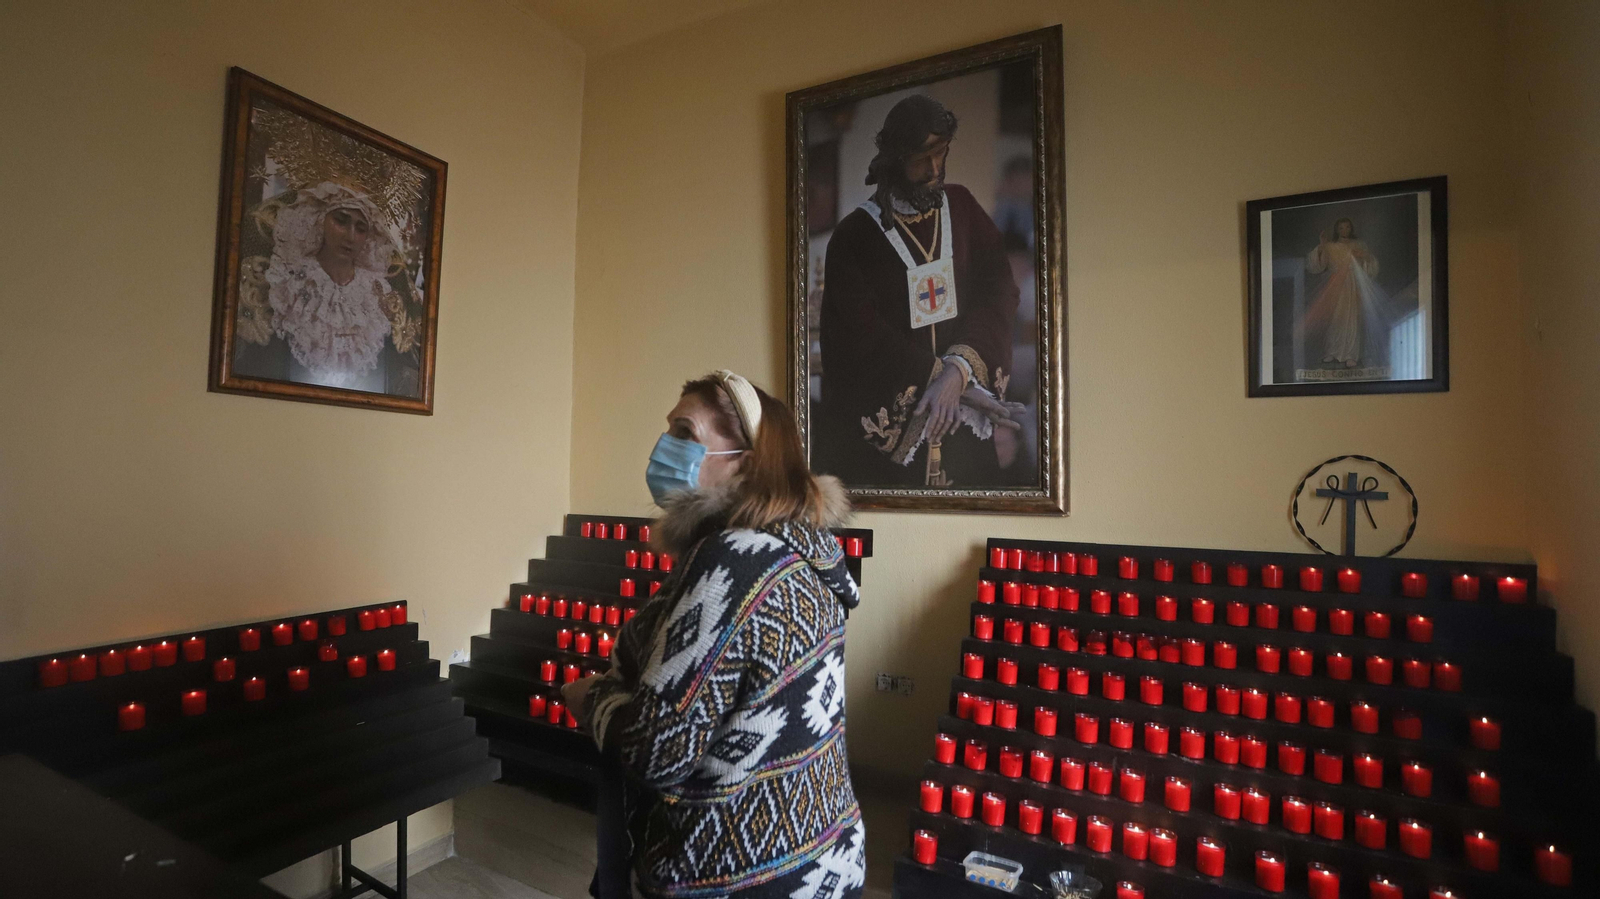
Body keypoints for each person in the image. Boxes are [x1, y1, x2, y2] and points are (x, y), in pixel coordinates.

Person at [562, 370, 865, 899]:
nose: (665, 447)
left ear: (744, 461)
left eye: (685, 433)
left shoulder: (731, 561)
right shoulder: (804, 554)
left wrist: (596, 698)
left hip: (735, 872)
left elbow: (658, 751)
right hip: (822, 855)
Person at [817, 94, 1025, 488]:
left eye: (940, 153)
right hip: (894, 445)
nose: (933, 170)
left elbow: (998, 290)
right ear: (895, 159)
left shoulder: (962, 209)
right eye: (919, 159)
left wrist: (959, 372)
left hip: (964, 434)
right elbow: (857, 337)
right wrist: (945, 382)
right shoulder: (854, 236)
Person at [232, 181, 421, 394]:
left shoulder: (378, 292)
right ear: (319, 220)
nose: (350, 236)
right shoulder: (288, 281)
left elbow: (397, 367)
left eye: (360, 228)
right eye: (341, 221)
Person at [1300, 217, 1384, 369]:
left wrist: (1364, 257)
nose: (1344, 230)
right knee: (1335, 319)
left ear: (1351, 229)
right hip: (1335, 285)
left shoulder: (1359, 245)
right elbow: (1318, 265)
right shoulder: (1332, 246)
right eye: (1341, 228)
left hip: (1354, 286)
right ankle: (1333, 351)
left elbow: (1370, 264)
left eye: (1347, 227)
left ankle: (1351, 354)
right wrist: (1322, 245)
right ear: (1337, 230)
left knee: (1352, 320)